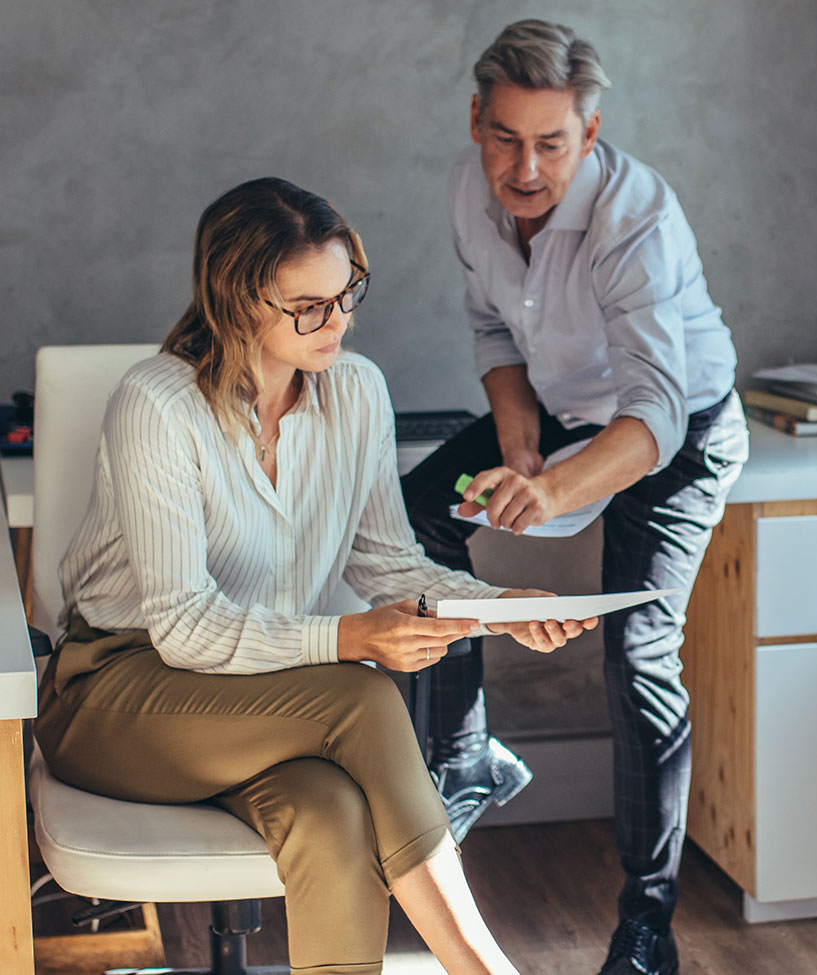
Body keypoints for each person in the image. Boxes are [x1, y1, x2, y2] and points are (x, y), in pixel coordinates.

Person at [35, 177, 596, 975]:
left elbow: (387, 561)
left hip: (255, 698)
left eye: (345, 295)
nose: (337, 322)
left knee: (331, 811)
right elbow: (186, 625)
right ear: (236, 302)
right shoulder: (156, 404)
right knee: (363, 691)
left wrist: (499, 608)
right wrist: (347, 637)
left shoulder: (358, 392)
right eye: (309, 306)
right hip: (116, 691)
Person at [399, 20, 747, 975]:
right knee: (410, 512)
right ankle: (462, 747)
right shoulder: (470, 194)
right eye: (506, 137)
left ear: (589, 136)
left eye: (551, 143)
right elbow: (492, 333)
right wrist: (517, 442)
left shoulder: (635, 218)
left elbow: (656, 416)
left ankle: (647, 930)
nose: (524, 167)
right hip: (559, 415)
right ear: (476, 121)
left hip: (675, 433)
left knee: (637, 654)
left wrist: (549, 485)